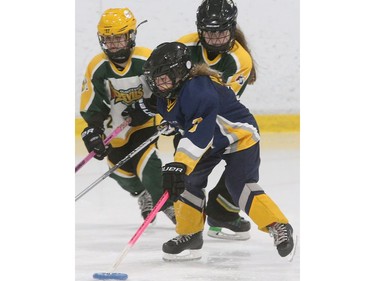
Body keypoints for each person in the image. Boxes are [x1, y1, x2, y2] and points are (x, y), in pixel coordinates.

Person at [142, 42, 296, 261]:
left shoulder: (199, 90)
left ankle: (277, 225)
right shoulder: (169, 92)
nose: (159, 84)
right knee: (187, 181)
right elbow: (186, 122)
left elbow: (199, 133)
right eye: (155, 79)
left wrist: (180, 164)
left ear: (180, 72)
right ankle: (190, 234)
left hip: (238, 137)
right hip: (210, 140)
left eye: (164, 78)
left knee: (238, 185)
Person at [79, 7, 175, 224]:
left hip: (144, 124)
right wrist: (93, 129)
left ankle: (168, 205)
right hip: (114, 129)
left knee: (147, 163)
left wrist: (149, 107)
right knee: (119, 172)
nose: (114, 44)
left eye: (119, 38)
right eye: (108, 40)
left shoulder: (147, 60)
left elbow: (165, 90)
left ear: (131, 36)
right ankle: (143, 193)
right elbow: (92, 101)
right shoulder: (98, 67)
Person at [173, 0, 257, 240]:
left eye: (221, 32)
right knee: (189, 175)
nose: (216, 38)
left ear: (232, 28)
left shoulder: (240, 60)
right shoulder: (184, 45)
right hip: (188, 120)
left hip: (222, 120)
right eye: (210, 32)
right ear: (200, 29)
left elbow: (218, 104)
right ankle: (190, 231)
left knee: (243, 165)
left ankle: (223, 214)